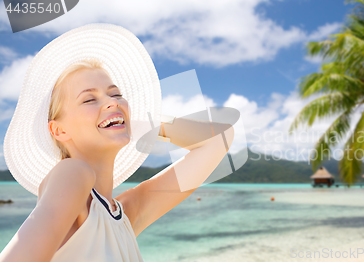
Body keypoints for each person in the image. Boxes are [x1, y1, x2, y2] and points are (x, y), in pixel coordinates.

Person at [0, 23, 234, 262]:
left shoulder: (124, 215)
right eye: (89, 99)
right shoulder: (72, 173)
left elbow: (218, 140)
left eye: (115, 94)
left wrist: (140, 123)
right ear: (58, 130)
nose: (112, 102)